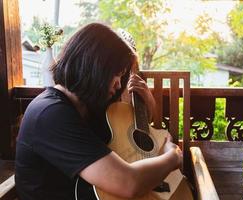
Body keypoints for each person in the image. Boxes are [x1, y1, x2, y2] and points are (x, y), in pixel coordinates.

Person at [15, 22, 182, 200]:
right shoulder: (50, 114)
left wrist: (147, 103)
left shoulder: (85, 106)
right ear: (94, 68)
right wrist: (173, 156)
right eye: (116, 74)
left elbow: (127, 136)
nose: (119, 84)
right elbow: (128, 183)